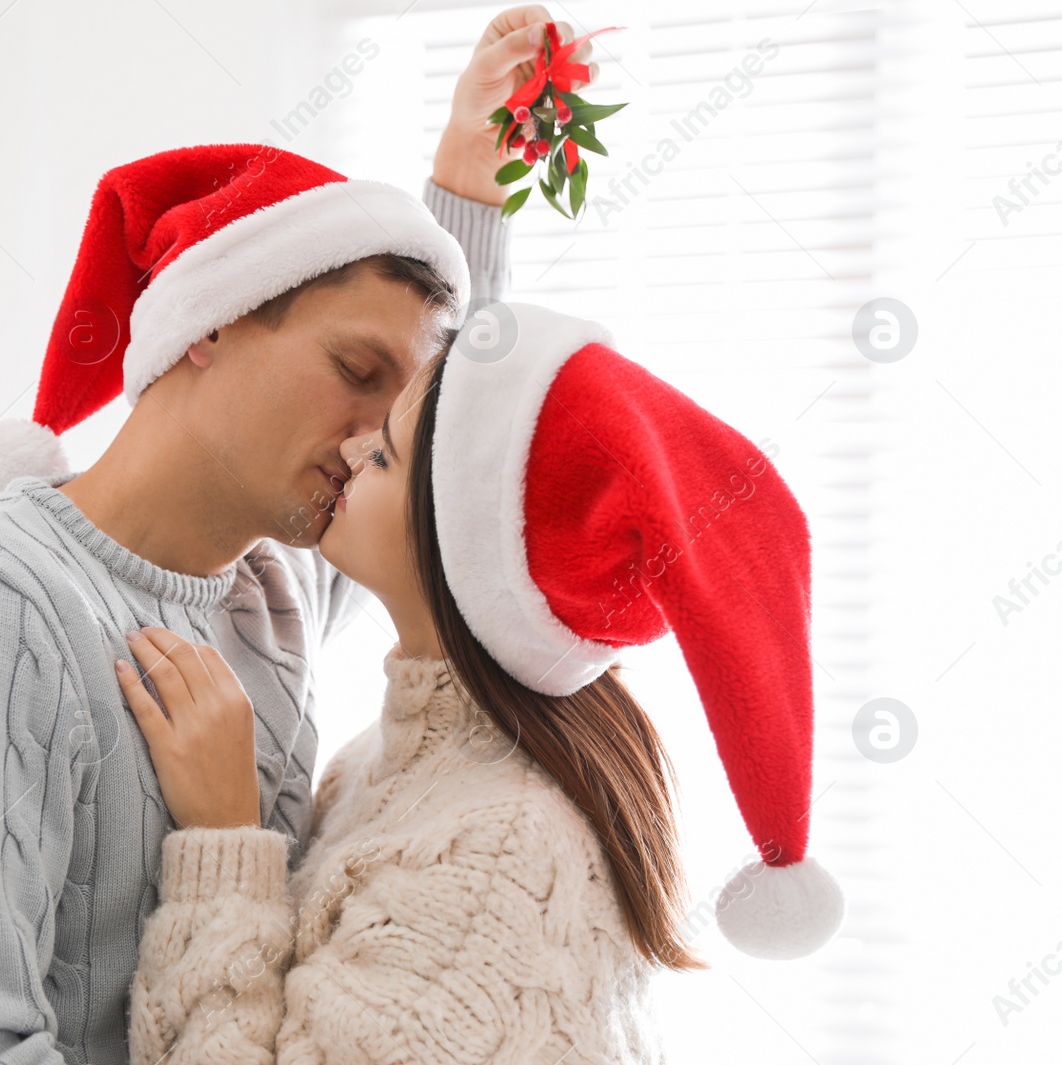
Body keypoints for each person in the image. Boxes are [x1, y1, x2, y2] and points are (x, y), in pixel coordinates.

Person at [0, 8, 596, 1064]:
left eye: (399, 409)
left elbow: (435, 471)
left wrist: (464, 190)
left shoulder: (272, 581)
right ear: (211, 324)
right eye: (356, 373)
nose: (378, 438)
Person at [118, 303, 846, 1064]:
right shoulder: (386, 759)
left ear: (462, 542)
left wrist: (225, 840)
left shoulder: (501, 852)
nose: (353, 442)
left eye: (386, 455)